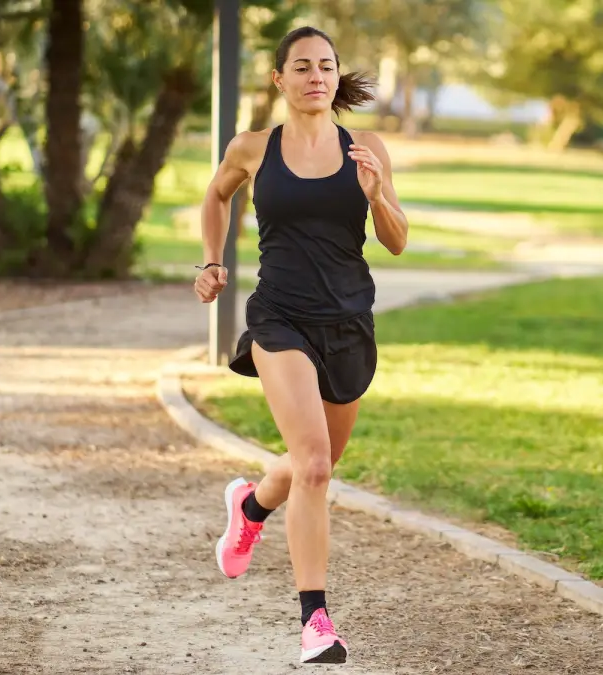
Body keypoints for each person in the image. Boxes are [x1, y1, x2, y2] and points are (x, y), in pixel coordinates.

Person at [193, 25, 408, 666]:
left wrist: (376, 197)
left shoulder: (366, 148)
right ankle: (315, 620)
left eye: (327, 66)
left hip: (347, 324)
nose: (317, 75)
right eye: (303, 66)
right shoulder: (254, 148)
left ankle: (251, 503)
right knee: (312, 464)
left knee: (316, 463)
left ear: (337, 78)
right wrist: (210, 260)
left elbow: (396, 239)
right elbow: (216, 194)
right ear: (279, 79)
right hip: (279, 320)